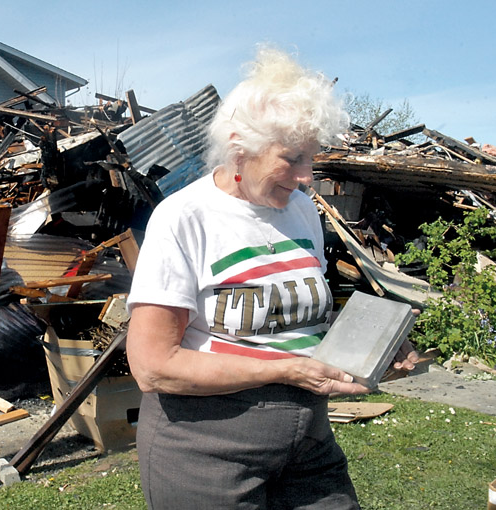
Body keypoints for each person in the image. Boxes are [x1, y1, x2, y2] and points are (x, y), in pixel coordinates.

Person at [125, 48, 419, 510]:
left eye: (312, 157)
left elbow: (294, 313)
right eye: (293, 158)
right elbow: (152, 365)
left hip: (308, 440)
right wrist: (285, 370)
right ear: (239, 144)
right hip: (205, 449)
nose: (306, 177)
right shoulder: (185, 217)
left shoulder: (300, 210)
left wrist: (372, 343)